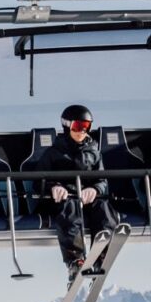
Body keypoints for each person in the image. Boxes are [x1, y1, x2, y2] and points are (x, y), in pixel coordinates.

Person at [43, 103, 118, 280]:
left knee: (104, 209)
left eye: (86, 126)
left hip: (87, 198)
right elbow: (41, 178)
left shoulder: (93, 151)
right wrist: (54, 186)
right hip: (64, 198)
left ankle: (101, 255)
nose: (82, 131)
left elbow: (102, 179)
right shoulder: (54, 152)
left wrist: (95, 189)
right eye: (77, 126)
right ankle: (75, 260)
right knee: (69, 210)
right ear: (67, 126)